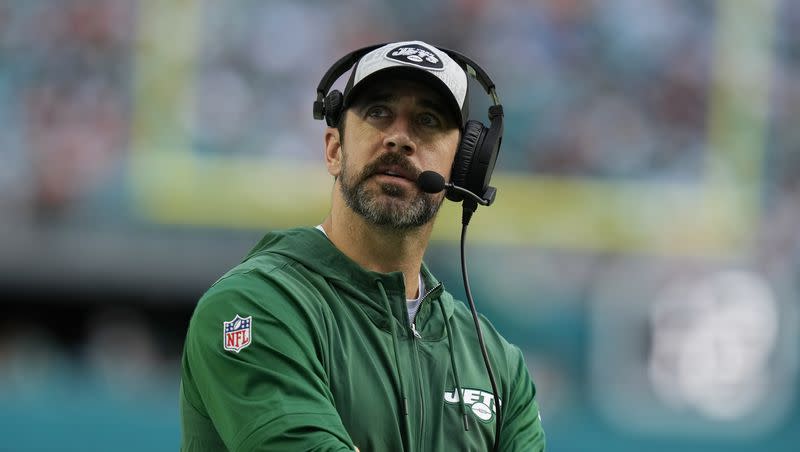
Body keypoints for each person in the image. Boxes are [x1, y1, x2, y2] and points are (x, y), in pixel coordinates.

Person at [180, 40, 546, 451]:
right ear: (335, 150)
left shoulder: (497, 365)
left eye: (427, 120)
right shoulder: (253, 305)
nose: (399, 139)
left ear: (464, 167)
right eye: (378, 113)